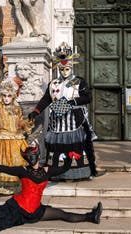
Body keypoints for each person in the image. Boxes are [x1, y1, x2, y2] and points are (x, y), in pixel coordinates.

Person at [0, 145, 103, 232]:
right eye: (28, 157)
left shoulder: (47, 170)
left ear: (37, 156)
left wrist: (69, 157)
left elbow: (63, 169)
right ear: (26, 158)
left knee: (61, 214)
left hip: (36, 210)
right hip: (18, 209)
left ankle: (91, 217)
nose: (31, 159)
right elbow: (2, 168)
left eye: (33, 156)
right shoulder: (22, 170)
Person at [28, 42, 98, 179]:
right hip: (57, 123)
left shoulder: (79, 82)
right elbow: (46, 99)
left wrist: (72, 102)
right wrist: (36, 111)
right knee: (57, 149)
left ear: (71, 68)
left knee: (74, 147)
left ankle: (78, 174)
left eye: (67, 69)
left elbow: (87, 97)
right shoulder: (53, 83)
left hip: (74, 121)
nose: (64, 72)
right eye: (61, 69)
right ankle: (58, 174)